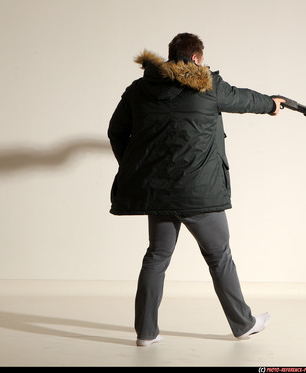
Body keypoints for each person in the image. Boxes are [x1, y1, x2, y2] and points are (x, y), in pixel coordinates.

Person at [108, 33, 285, 346]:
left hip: (159, 193)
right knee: (219, 257)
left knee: (156, 257)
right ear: (195, 59)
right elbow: (244, 99)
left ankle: (146, 333)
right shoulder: (207, 85)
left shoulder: (140, 90)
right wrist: (271, 104)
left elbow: (116, 132)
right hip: (200, 194)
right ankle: (243, 323)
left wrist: (136, 168)